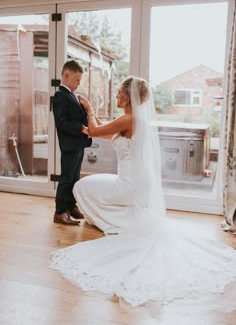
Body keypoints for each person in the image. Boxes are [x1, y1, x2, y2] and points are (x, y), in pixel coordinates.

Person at [50, 76, 236, 313]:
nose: (116, 95)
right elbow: (104, 133)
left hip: (128, 185)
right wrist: (91, 127)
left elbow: (97, 130)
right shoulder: (135, 120)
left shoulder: (128, 118)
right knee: (90, 186)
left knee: (80, 188)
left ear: (128, 96)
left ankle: (119, 224)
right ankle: (125, 220)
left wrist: (90, 109)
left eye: (119, 92)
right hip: (138, 184)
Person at [52, 59, 92, 225]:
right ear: (66, 75)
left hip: (78, 145)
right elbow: (62, 123)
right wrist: (81, 128)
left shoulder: (71, 95)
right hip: (69, 145)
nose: (78, 83)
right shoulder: (60, 95)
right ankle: (60, 212)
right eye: (77, 80)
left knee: (75, 177)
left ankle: (70, 205)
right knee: (67, 178)